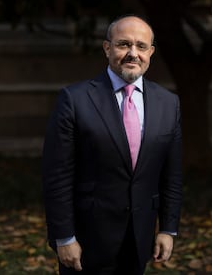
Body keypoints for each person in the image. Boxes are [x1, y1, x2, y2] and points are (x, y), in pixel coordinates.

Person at [42, 14, 182, 275]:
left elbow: (171, 174)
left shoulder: (168, 103)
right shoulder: (74, 99)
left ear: (151, 52)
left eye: (141, 46)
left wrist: (167, 228)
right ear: (107, 48)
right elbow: (57, 176)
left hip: (140, 239)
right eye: (123, 44)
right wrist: (64, 238)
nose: (133, 53)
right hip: (86, 242)